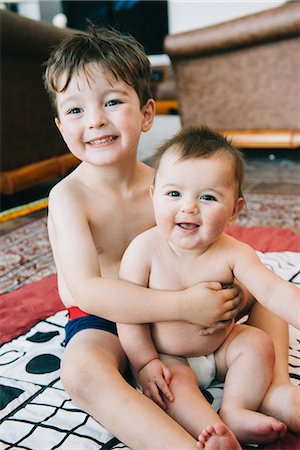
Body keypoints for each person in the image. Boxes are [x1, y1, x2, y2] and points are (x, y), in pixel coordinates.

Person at [43, 24, 299, 449]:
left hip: (180, 306)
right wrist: (184, 305)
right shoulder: (68, 197)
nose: (96, 120)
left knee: (260, 281)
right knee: (81, 370)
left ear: (146, 114)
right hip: (105, 318)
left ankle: (274, 389)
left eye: (112, 102)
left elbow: (210, 241)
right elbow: (88, 291)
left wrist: (220, 293)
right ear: (59, 125)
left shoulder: (167, 185)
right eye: (75, 110)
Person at [117, 126, 300, 447]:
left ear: (235, 210)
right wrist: (144, 362)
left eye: (208, 197)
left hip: (221, 346)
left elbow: (272, 291)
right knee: (173, 389)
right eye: (174, 194)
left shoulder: (234, 253)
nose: (189, 207)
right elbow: (127, 310)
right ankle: (213, 430)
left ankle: (235, 410)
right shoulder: (143, 250)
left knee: (257, 344)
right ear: (153, 195)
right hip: (169, 355)